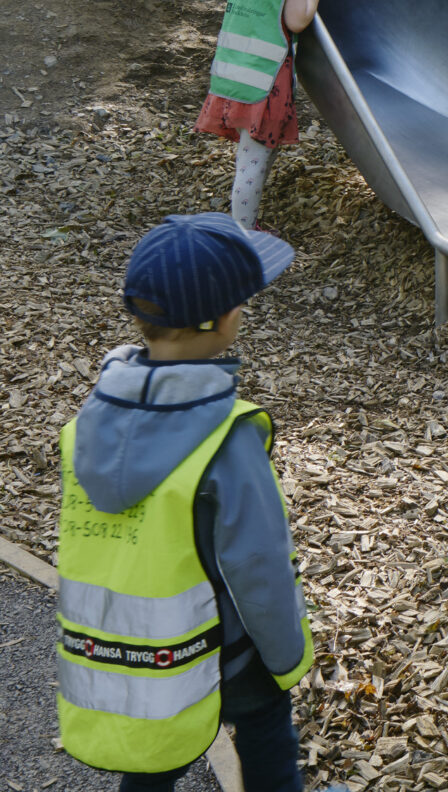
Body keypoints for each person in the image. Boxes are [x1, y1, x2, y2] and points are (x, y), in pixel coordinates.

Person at [56, 212, 317, 791]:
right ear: (226, 319)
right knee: (267, 735)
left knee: (155, 761)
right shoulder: (228, 438)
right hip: (227, 652)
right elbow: (258, 567)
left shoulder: (84, 431)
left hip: (136, 657)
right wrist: (286, 658)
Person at [196, 0, 319, 230]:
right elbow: (297, 20)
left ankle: (245, 222)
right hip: (263, 90)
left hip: (231, 82)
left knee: (254, 156)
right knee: (251, 165)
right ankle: (243, 236)